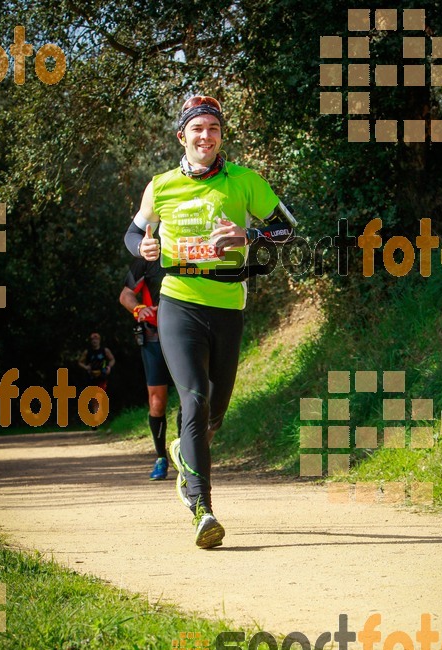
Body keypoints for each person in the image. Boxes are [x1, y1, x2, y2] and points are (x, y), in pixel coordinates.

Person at [124, 95, 295, 549]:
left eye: (213, 129)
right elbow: (134, 231)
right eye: (197, 129)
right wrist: (142, 248)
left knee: (214, 412)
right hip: (178, 302)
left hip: (228, 305)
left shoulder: (244, 181)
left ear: (221, 137)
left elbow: (287, 227)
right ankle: (203, 508)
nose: (206, 136)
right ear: (183, 136)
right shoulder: (160, 185)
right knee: (194, 399)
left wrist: (250, 233)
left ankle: (182, 450)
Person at [119, 257, 181, 481]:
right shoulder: (146, 260)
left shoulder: (189, 250)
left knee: (190, 395)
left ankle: (186, 455)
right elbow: (126, 295)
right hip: (153, 335)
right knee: (157, 402)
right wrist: (138, 309)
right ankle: (160, 457)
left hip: (184, 334)